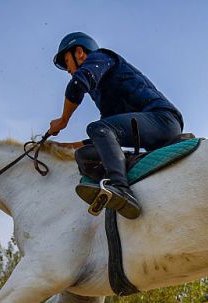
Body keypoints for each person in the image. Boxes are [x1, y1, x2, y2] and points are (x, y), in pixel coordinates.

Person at [47, 32, 184, 219]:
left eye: (67, 62)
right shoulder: (102, 93)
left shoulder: (101, 57)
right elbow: (102, 138)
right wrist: (61, 147)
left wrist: (62, 121)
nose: (68, 70)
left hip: (163, 120)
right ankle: (124, 172)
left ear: (79, 52)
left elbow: (78, 84)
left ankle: (121, 188)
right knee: (84, 155)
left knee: (98, 127)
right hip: (147, 129)